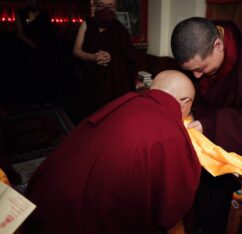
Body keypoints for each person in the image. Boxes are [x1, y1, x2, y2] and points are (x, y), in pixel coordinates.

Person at [21, 70, 201, 234]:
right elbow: (172, 201)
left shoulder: (126, 101)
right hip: (76, 219)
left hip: (43, 195)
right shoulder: (169, 129)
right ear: (185, 103)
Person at [171, 17, 242, 233]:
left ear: (218, 45)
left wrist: (207, 125)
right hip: (205, 133)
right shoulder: (198, 40)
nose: (196, 76)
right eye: (190, 70)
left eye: (201, 68)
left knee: (229, 206)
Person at [73, 0, 138, 120]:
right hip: (89, 77)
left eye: (110, 6)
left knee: (108, 118)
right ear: (95, 6)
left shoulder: (120, 29)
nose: (106, 9)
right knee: (89, 115)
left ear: (115, 8)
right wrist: (92, 57)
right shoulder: (87, 23)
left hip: (112, 82)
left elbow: (129, 55)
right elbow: (76, 50)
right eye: (102, 5)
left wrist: (111, 56)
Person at [15, 0, 58, 104]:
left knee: (46, 74)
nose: (32, 2)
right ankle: (33, 101)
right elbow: (20, 34)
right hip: (29, 50)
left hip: (45, 50)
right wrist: (34, 45)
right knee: (31, 76)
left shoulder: (44, 14)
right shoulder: (21, 13)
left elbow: (50, 32)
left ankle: (47, 99)